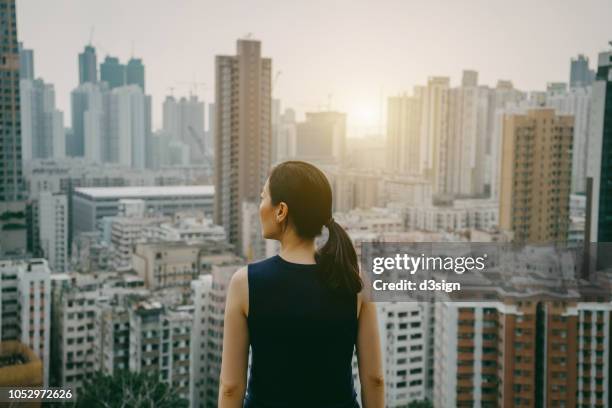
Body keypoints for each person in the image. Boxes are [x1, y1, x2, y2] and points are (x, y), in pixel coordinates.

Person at [218, 161, 384, 408]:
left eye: (263, 198)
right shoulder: (354, 279)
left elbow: (231, 388)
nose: (259, 206)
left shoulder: (246, 283)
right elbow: (374, 379)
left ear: (281, 210)